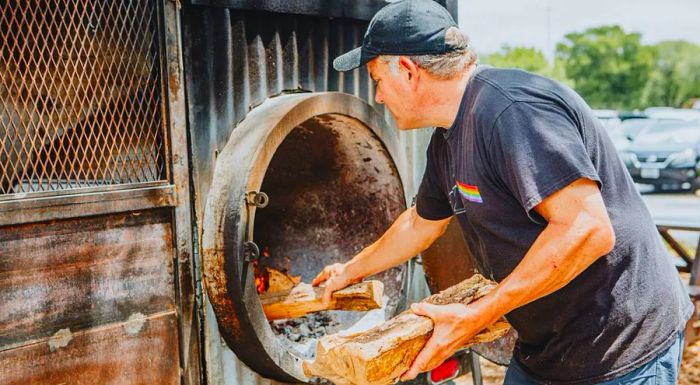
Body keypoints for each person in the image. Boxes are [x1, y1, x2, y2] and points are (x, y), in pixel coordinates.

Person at [312, 0, 694, 384]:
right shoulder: (448, 137)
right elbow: (420, 223)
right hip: (547, 346)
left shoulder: (513, 112)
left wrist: (481, 313)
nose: (377, 96)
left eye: (377, 79)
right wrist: (349, 271)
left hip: (620, 344)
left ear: (409, 72)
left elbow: (588, 229)